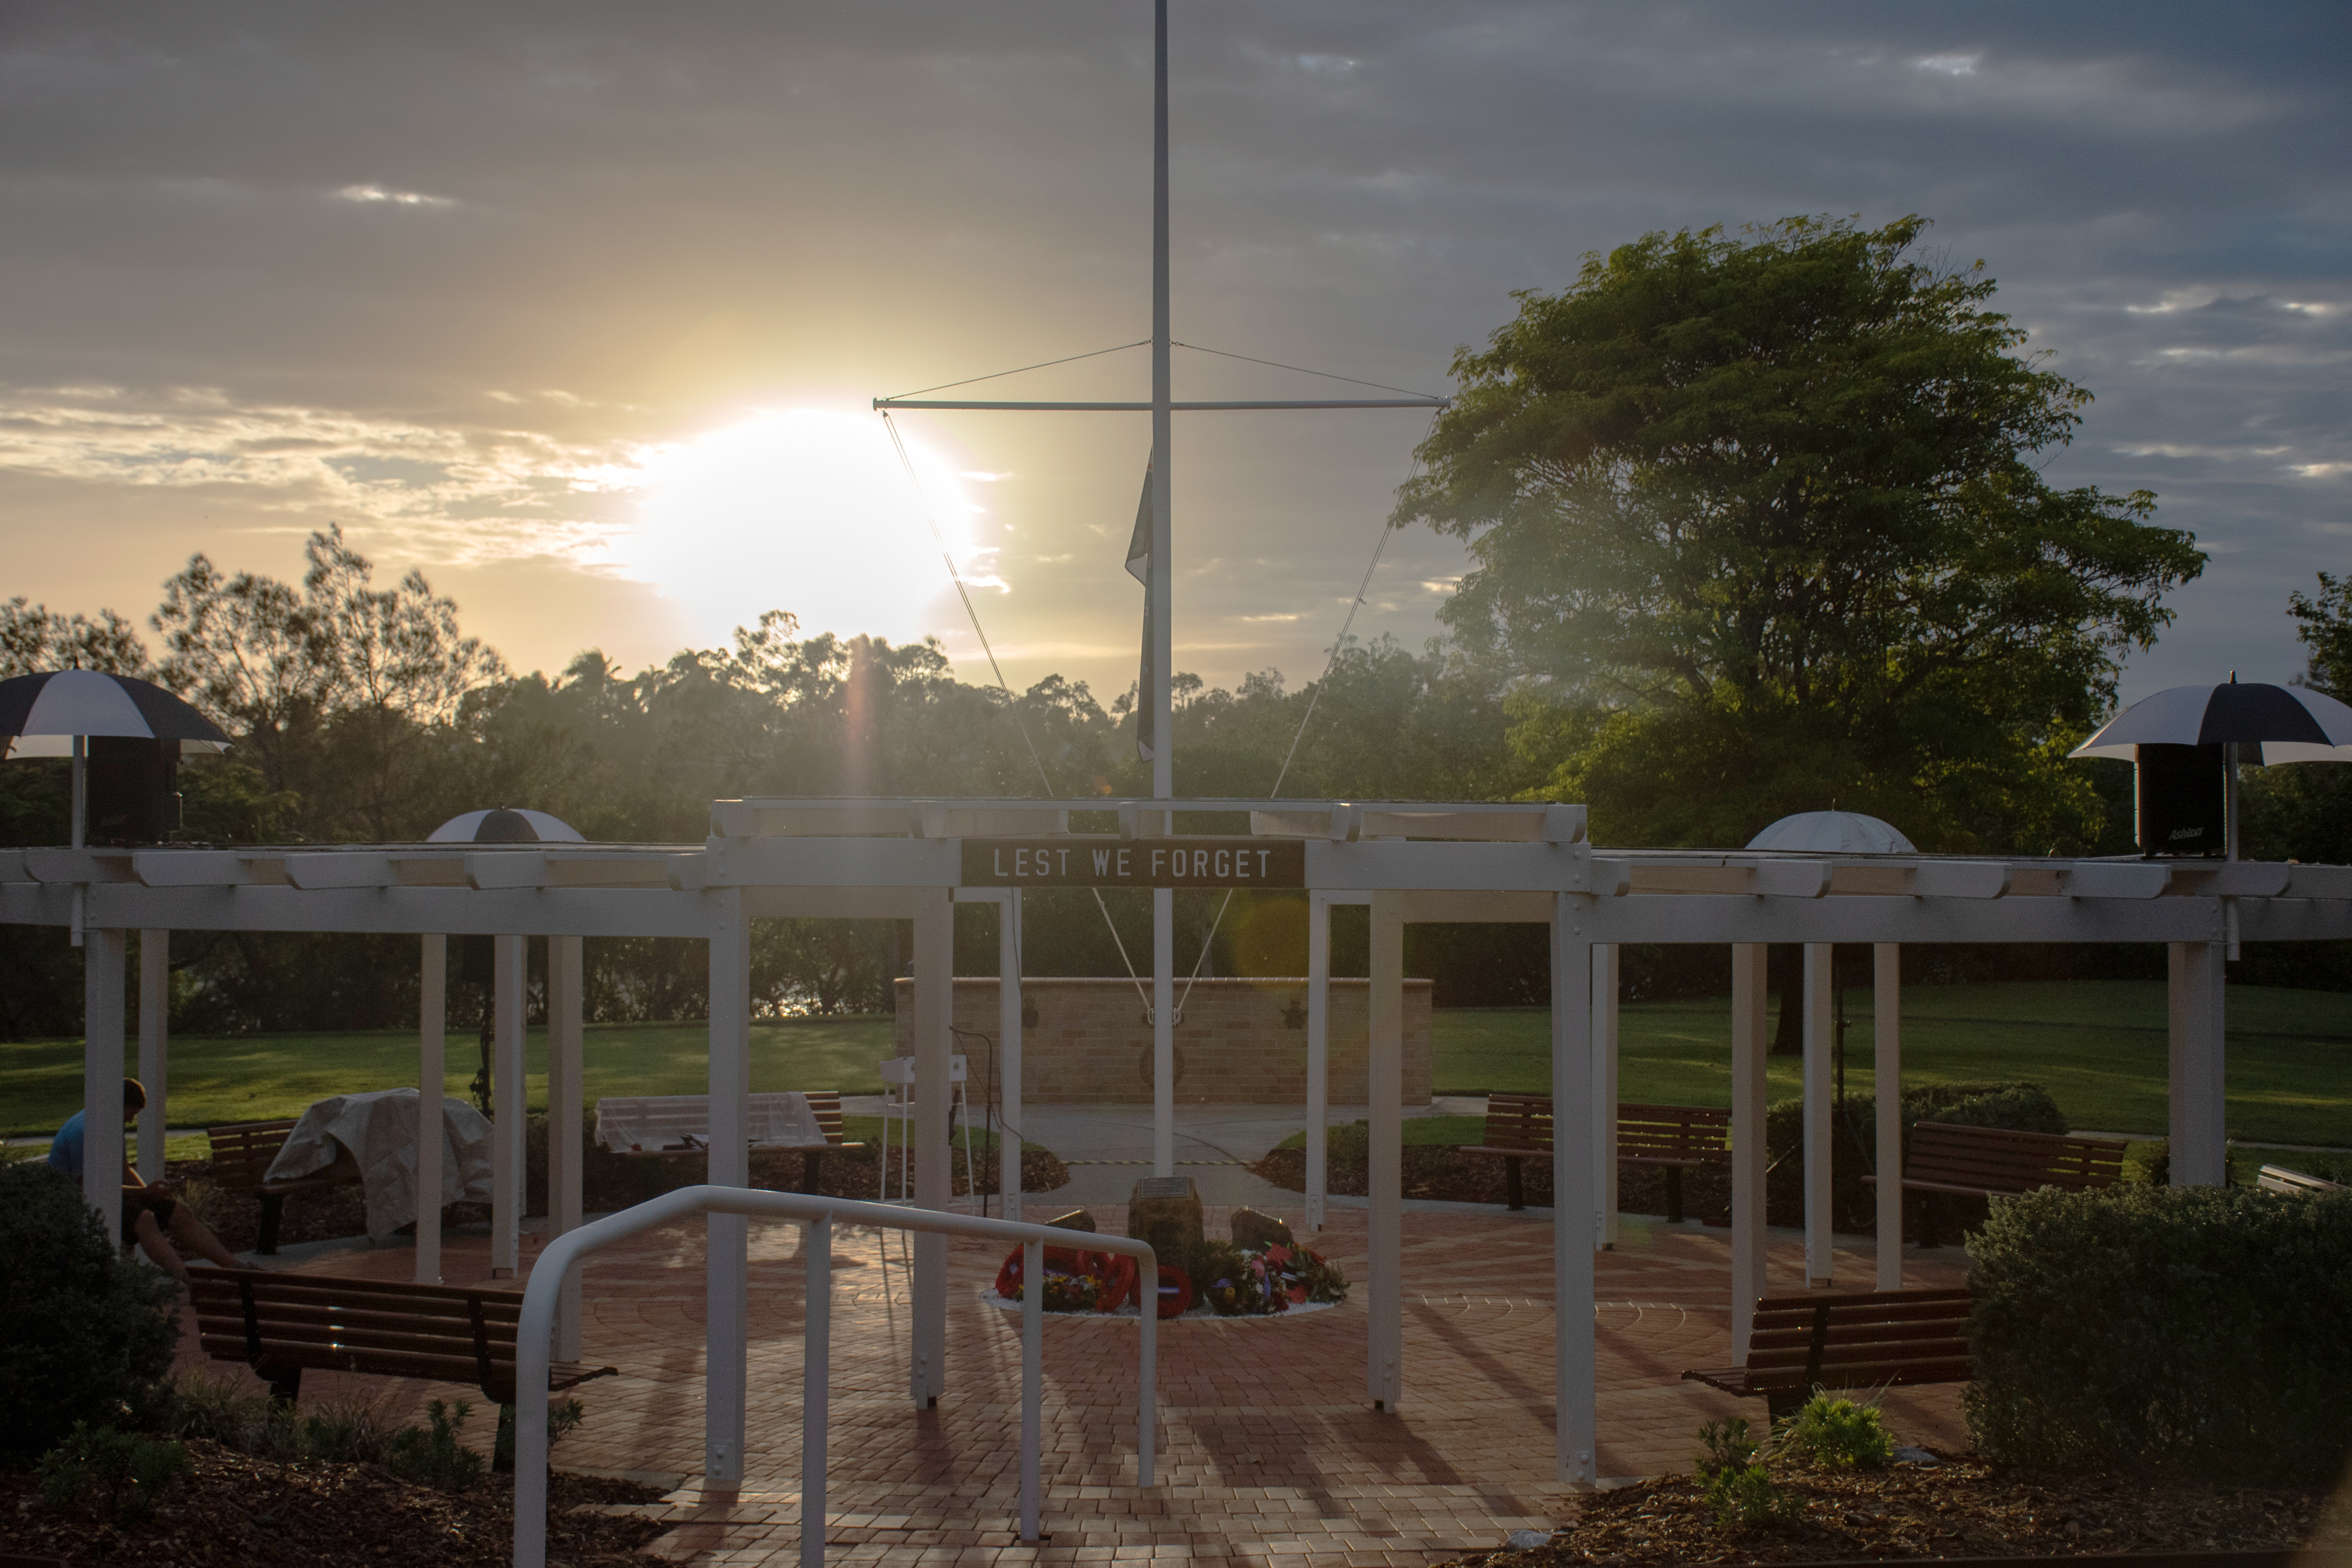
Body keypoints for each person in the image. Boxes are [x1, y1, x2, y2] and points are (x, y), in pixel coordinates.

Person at [49, 1078, 249, 1285]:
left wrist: (149, 1194)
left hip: (105, 1196)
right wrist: (143, 1195)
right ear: (118, 1106)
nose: (130, 1121)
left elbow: (124, 1169)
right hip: (75, 1203)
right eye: (131, 1114)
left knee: (178, 1211)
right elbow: (88, 1188)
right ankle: (188, 1280)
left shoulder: (110, 1124)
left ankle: (236, 1268)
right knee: (144, 1219)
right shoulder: (84, 1132)